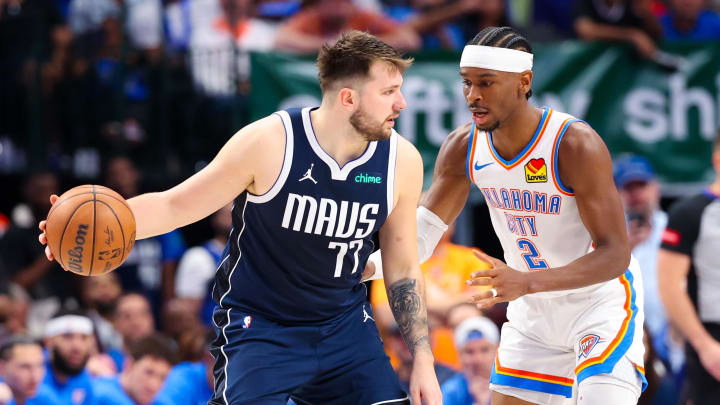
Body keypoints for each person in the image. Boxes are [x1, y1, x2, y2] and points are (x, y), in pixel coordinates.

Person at [40, 30, 441, 405]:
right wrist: (88, 227)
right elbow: (174, 206)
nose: (400, 104)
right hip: (262, 328)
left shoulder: (401, 161)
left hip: (345, 328)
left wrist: (423, 358)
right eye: (389, 92)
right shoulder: (270, 143)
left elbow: (403, 268)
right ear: (349, 98)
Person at [368, 25, 646, 404]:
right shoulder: (463, 146)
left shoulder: (573, 143)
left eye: (487, 83)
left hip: (598, 306)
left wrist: (527, 281)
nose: (473, 96)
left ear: (523, 82)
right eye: (467, 83)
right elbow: (421, 235)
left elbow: (616, 254)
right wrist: (365, 267)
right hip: (533, 314)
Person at [657, 130, 720, 404]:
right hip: (712, 339)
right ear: (718, 160)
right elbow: (668, 285)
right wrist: (704, 345)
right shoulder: (691, 213)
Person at [174, 204, 232, 326]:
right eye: (227, 214)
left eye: (235, 212)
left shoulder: (253, 256)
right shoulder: (198, 257)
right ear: (215, 219)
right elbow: (188, 311)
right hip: (213, 335)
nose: (232, 217)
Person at [91, 334, 176, 405]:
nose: (154, 385)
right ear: (129, 365)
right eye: (149, 372)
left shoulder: (158, 402)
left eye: (163, 378)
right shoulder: (98, 393)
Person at [573, 0, 662, 59]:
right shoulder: (584, 3)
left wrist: (648, 16)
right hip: (594, 65)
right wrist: (631, 35)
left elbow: (656, 34)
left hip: (630, 69)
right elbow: (585, 30)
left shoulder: (633, 3)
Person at [41, 310, 95, 405]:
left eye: (84, 338)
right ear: (48, 342)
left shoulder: (92, 379)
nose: (77, 347)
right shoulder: (31, 377)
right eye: (67, 337)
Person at [441, 316, 500, 405]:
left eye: (485, 350)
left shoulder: (510, 388)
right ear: (459, 356)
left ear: (496, 352)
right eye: (469, 352)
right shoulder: (450, 391)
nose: (478, 359)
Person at [0, 336, 61, 405]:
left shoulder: (44, 395)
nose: (35, 376)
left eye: (39, 365)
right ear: (2, 368)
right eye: (25, 367)